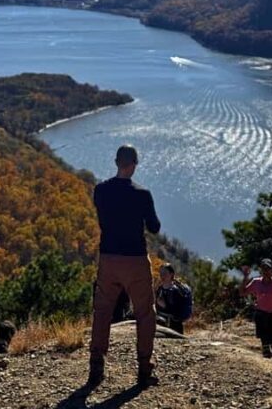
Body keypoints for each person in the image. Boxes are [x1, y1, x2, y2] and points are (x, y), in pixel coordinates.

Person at [88, 144, 161, 389]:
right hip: (135, 260)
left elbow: (103, 220)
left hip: (108, 258)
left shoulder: (100, 191)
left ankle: (96, 367)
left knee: (103, 312)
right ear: (134, 164)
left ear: (116, 161)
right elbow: (154, 227)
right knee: (144, 313)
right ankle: (143, 368)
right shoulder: (142, 194)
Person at [155, 263, 191, 335]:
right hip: (161, 324)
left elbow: (177, 311)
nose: (162, 276)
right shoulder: (159, 289)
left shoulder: (176, 291)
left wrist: (165, 306)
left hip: (175, 326)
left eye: (165, 273)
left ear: (171, 274)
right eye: (161, 273)